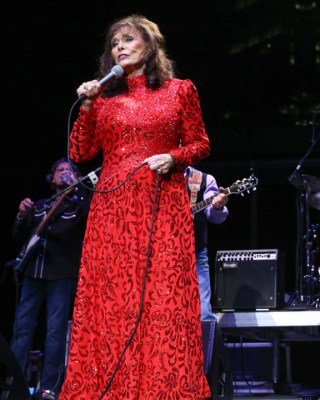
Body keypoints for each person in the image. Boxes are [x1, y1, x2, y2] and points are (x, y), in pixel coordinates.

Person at [60, 15, 211, 399]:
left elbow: (200, 144)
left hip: (162, 204)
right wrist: (88, 106)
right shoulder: (105, 100)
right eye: (114, 43)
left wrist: (174, 157)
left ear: (150, 45)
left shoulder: (180, 90)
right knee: (112, 302)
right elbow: (79, 152)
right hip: (113, 209)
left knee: (162, 298)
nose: (120, 47)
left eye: (129, 39)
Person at [11, 158, 89, 400]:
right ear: (52, 177)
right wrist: (21, 216)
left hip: (61, 274)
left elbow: (88, 223)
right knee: (22, 329)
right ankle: (15, 382)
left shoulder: (79, 205)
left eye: (70, 170)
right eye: (60, 170)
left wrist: (79, 188)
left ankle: (49, 388)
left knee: (55, 331)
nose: (64, 173)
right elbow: (18, 238)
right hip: (33, 273)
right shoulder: (40, 205)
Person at [185, 167, 229, 321]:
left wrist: (218, 206)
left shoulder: (202, 179)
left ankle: (207, 344)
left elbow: (215, 218)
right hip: (158, 255)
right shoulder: (153, 176)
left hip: (195, 253)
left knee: (203, 314)